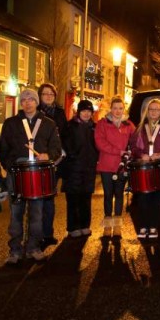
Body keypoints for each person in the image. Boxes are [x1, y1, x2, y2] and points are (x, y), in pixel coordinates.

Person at [0, 88, 62, 264]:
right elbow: (3, 148)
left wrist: (48, 155)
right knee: (16, 213)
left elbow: (56, 148)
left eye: (31, 99)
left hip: (39, 174)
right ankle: (15, 250)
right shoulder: (11, 123)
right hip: (16, 173)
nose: (28, 102)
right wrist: (11, 165)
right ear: (21, 103)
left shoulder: (48, 124)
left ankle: (34, 247)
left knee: (37, 213)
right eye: (24, 100)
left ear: (36, 102)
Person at [129, 98, 160, 239]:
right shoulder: (140, 127)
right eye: (151, 109)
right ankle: (143, 226)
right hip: (144, 168)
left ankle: (153, 227)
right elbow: (133, 146)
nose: (154, 112)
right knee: (143, 198)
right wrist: (141, 154)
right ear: (147, 111)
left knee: (156, 199)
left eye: (157, 109)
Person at [95, 96, 135, 238]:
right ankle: (107, 225)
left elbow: (134, 142)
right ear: (110, 109)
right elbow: (100, 143)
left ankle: (117, 225)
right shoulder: (102, 124)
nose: (117, 111)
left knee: (119, 195)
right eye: (115, 108)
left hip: (122, 166)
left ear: (123, 109)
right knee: (107, 195)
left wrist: (130, 152)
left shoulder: (129, 125)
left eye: (120, 108)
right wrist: (118, 151)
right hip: (107, 165)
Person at [61, 100, 99, 238]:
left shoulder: (94, 127)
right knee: (73, 198)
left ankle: (85, 225)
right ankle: (72, 227)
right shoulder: (70, 126)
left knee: (86, 198)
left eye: (89, 111)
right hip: (73, 167)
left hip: (89, 168)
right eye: (84, 111)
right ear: (79, 111)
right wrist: (73, 156)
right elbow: (65, 143)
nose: (86, 114)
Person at [37, 83, 68, 250]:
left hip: (55, 160)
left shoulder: (60, 113)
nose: (48, 96)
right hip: (38, 159)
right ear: (40, 96)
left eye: (51, 94)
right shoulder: (35, 112)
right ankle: (37, 233)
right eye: (45, 94)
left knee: (49, 198)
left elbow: (64, 135)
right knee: (37, 199)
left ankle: (48, 233)